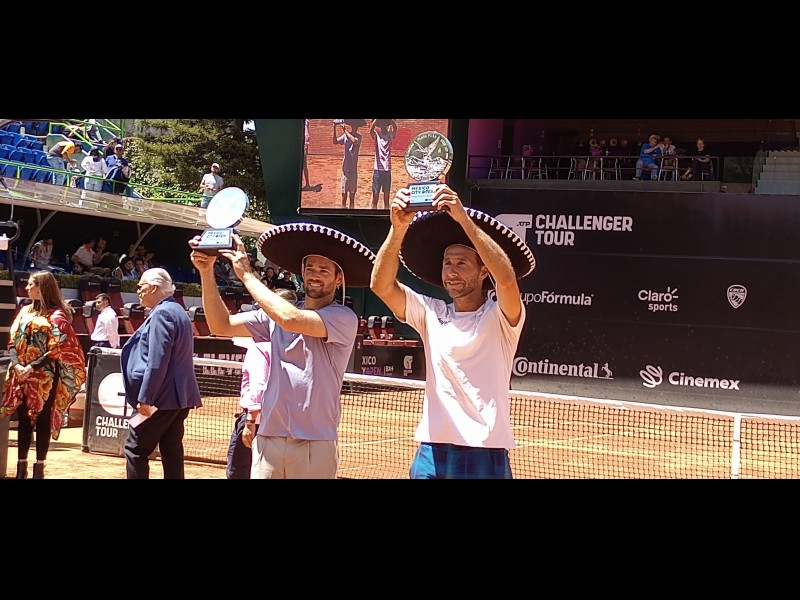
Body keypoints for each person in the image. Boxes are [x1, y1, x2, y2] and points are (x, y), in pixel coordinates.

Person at [370, 183, 536, 479]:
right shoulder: (430, 312)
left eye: (462, 263)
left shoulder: (500, 317)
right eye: (447, 263)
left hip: (483, 448)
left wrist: (463, 219)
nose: (452, 271)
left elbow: (507, 281)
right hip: (431, 449)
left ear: (483, 271)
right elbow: (380, 286)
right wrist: (398, 229)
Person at [188, 221, 375, 479]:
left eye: (323, 270)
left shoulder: (343, 317)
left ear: (338, 278)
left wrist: (247, 275)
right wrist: (206, 272)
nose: (315, 275)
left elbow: (290, 319)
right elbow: (221, 325)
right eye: (309, 268)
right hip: (269, 438)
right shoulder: (276, 315)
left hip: (315, 441)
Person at [0, 271, 87, 478]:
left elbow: (58, 347)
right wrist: (17, 365)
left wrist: (31, 367)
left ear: (42, 287)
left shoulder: (57, 316)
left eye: (31, 284)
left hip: (44, 376)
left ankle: (39, 467)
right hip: (21, 374)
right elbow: (13, 341)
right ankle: (21, 466)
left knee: (42, 420)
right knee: (23, 420)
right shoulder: (24, 311)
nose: (27, 287)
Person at [121, 267, 202, 479]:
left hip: (161, 399)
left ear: (154, 288)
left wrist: (146, 398)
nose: (138, 290)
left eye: (141, 286)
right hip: (178, 398)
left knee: (135, 449)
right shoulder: (178, 310)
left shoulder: (162, 313)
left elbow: (157, 361)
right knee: (171, 449)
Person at [226, 287, 298, 479]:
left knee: (238, 472)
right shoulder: (298, 344)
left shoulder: (259, 348)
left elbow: (258, 386)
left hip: (258, 420)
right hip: (287, 421)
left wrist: (250, 420)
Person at [333, 119, 363, 209]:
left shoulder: (359, 137)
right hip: (345, 170)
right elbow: (335, 141)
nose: (355, 127)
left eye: (356, 125)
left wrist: (344, 130)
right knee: (344, 196)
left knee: (352, 197)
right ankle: (343, 212)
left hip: (353, 170)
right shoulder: (345, 136)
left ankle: (352, 212)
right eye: (354, 125)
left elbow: (354, 140)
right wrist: (334, 128)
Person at [368, 119, 397, 209]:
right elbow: (371, 130)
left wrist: (391, 120)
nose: (383, 125)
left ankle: (386, 214)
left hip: (387, 170)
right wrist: (376, 120)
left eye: (385, 123)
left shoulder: (389, 135)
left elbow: (395, 128)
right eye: (381, 123)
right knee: (375, 196)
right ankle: (373, 214)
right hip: (377, 170)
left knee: (386, 198)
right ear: (380, 125)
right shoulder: (377, 135)